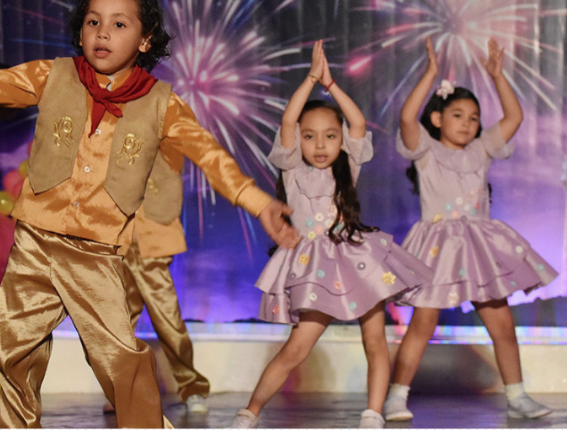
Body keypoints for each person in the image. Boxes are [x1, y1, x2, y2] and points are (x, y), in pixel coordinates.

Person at [0, 0, 299, 429]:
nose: (102, 32)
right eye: (92, 21)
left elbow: (210, 156)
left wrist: (257, 201)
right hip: (33, 245)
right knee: (13, 352)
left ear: (146, 40)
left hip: (96, 253)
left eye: (119, 24)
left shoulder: (162, 103)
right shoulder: (53, 75)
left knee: (118, 358)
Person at [231, 41, 432, 430]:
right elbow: (288, 122)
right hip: (315, 268)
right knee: (297, 347)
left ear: (341, 141)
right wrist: (309, 80)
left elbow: (357, 123)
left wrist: (332, 84)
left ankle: (373, 414)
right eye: (310, 137)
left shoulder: (348, 165)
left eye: (329, 136)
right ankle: (249, 412)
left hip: (357, 261)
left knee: (375, 341)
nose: (320, 144)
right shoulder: (291, 169)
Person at [384, 37, 557, 421]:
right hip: (437, 248)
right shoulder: (426, 151)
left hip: (479, 248)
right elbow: (406, 119)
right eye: (458, 114)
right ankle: (397, 396)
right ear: (438, 119)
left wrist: (497, 76)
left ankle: (516, 396)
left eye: (474, 117)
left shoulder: (480, 150)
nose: (467, 123)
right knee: (422, 323)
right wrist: (429, 74)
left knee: (502, 324)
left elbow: (514, 119)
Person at [106, 150, 210, 415]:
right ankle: (120, 392)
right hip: (117, 242)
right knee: (119, 325)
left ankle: (192, 387)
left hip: (152, 247)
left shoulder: (164, 135)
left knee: (169, 322)